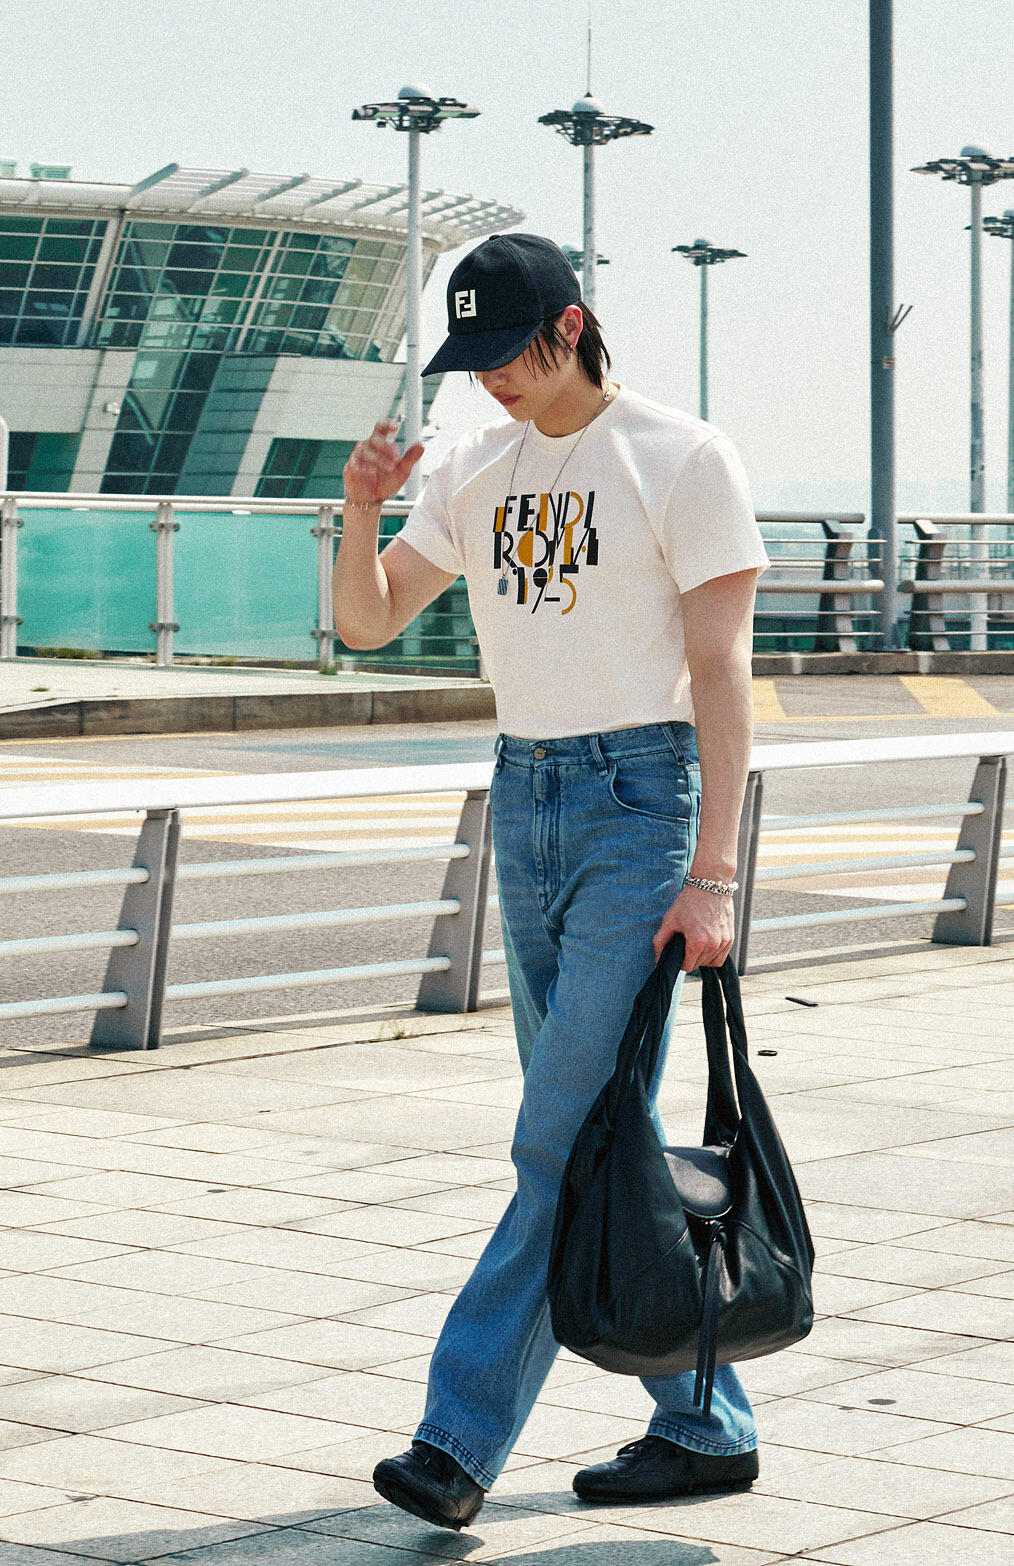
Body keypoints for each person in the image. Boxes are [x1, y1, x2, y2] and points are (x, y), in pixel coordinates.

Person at [333, 233, 769, 1532]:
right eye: (470, 360)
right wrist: (360, 509)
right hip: (523, 798)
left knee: (556, 1138)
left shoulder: (681, 456)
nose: (491, 381)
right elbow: (368, 620)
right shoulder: (475, 465)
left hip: (641, 808)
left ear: (571, 326)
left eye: (508, 353)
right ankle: (705, 1419)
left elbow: (722, 674)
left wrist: (715, 875)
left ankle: (455, 1440)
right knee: (593, 1132)